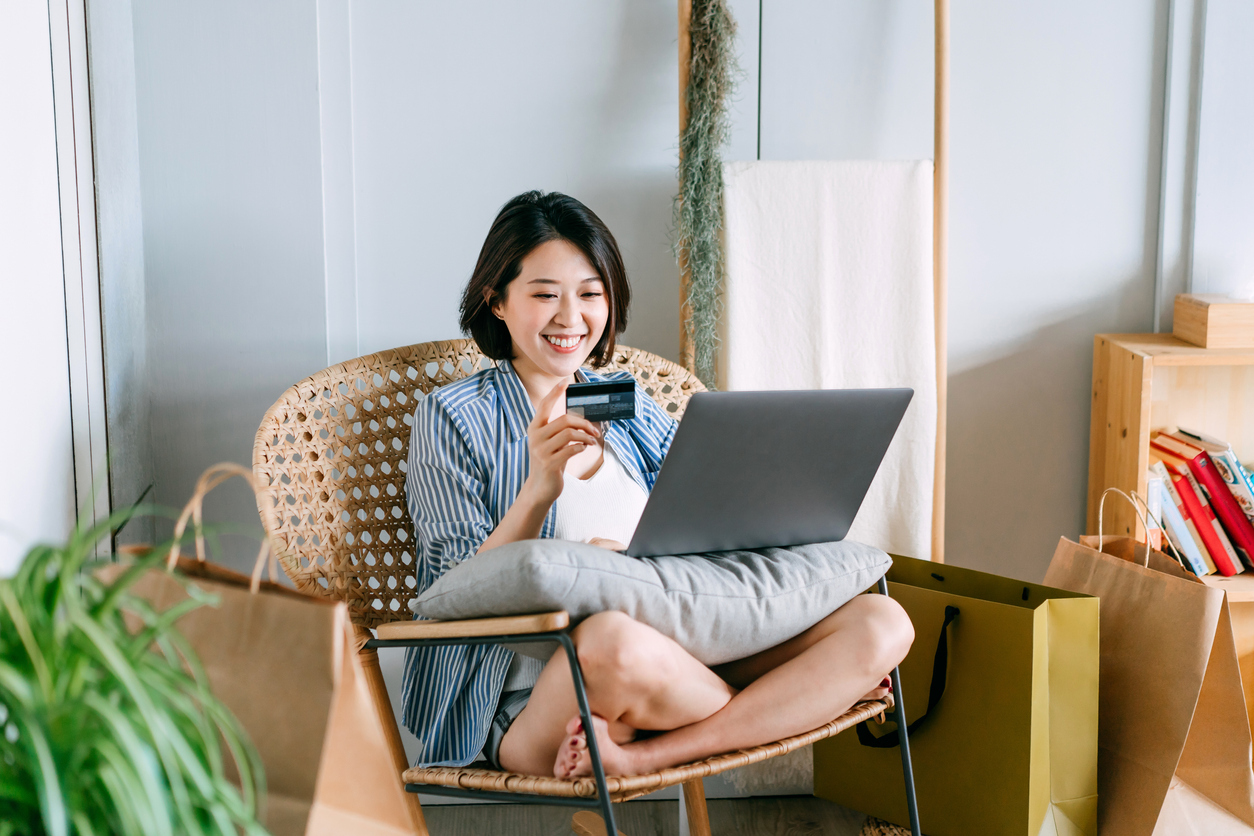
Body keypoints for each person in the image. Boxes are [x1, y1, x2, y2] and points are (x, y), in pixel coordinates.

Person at [401, 190, 914, 779]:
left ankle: (644, 754)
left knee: (883, 622)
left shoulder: (630, 402)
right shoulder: (452, 417)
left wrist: (638, 564)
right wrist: (539, 491)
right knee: (611, 637)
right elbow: (449, 595)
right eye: (545, 295)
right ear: (496, 302)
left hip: (688, 657)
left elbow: (709, 519)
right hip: (540, 698)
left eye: (591, 294)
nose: (571, 318)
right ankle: (779, 705)